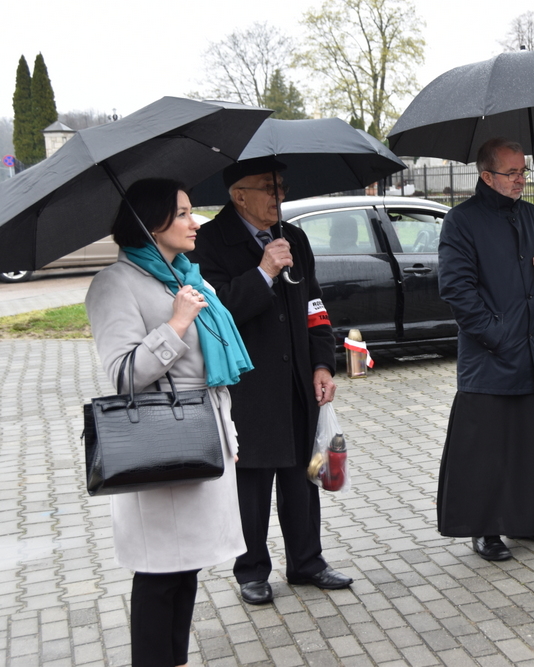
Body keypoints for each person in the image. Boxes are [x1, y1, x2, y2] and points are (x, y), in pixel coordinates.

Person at [85, 178, 251, 667]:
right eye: (181, 213)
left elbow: (214, 360)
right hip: (160, 441)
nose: (194, 222)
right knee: (160, 573)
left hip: (201, 434)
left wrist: (228, 433)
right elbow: (124, 375)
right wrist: (176, 324)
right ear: (150, 223)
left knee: (186, 567)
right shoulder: (115, 283)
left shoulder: (185, 277)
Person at [187, 156, 352, 605]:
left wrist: (323, 364)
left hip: (298, 380)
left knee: (302, 480)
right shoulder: (209, 243)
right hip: (249, 386)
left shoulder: (293, 237)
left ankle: (307, 562)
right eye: (269, 187)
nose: (279, 195)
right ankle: (252, 570)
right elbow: (218, 313)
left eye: (282, 186)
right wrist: (263, 272)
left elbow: (314, 304)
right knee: (252, 486)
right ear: (239, 195)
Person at [436, 138, 534, 561]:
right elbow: (456, 289)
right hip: (490, 356)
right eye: (512, 173)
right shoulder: (461, 221)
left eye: (523, 171)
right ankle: (486, 528)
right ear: (487, 176)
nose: (520, 180)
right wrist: (498, 334)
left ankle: (533, 520)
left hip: (532, 351)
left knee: (531, 440)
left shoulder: (529, 214)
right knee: (488, 448)